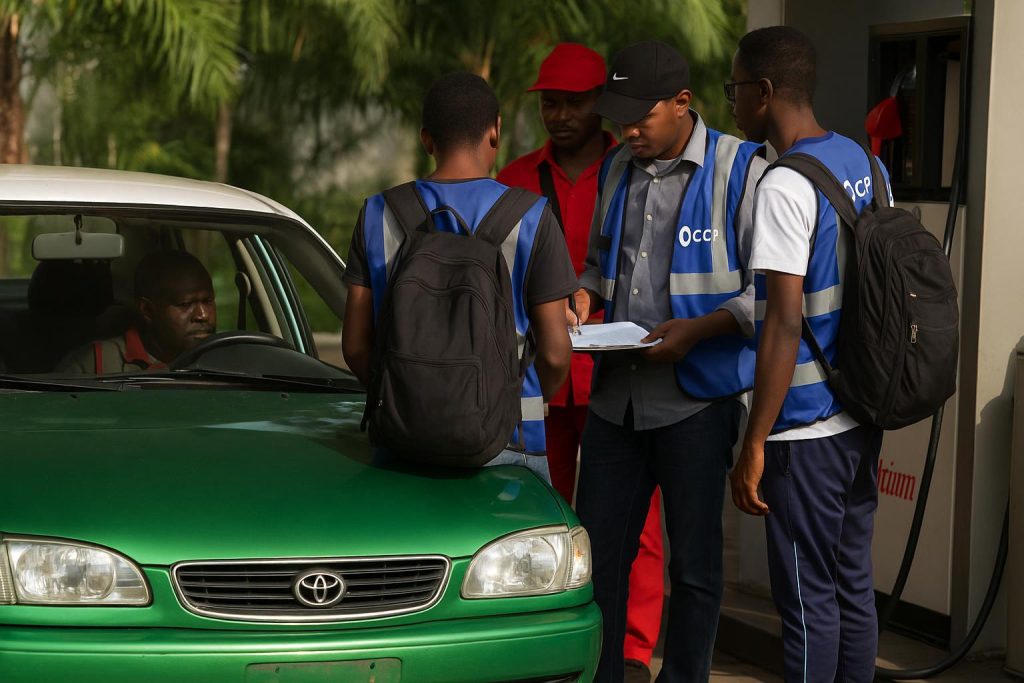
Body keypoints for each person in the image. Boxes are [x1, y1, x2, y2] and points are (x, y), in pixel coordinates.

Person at [572, 40, 767, 683]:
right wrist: (581, 296)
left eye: (640, 117)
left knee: (695, 566)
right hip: (615, 400)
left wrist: (698, 330)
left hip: (696, 400)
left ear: (683, 103)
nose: (627, 130)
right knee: (598, 563)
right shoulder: (616, 170)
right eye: (619, 117)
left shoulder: (744, 171)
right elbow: (602, 267)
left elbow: (764, 292)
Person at [496, 42, 666, 682]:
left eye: (573, 101)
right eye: (549, 102)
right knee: (534, 519)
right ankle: (541, 644)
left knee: (634, 522)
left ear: (602, 103)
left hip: (617, 378)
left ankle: (632, 650)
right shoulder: (514, 179)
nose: (559, 114)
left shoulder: (634, 171)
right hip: (536, 379)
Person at [727, 26, 890, 683]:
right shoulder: (867, 165)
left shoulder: (784, 186)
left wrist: (755, 441)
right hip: (860, 414)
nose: (732, 102)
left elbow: (783, 324)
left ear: (764, 93)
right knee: (852, 583)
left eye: (736, 89)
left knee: (805, 600)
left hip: (805, 430)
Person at [341, 72, 577, 480]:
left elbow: (355, 345)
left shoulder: (377, 214)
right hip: (511, 442)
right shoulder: (531, 217)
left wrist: (409, 399)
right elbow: (556, 355)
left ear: (426, 140)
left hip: (400, 444)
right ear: (495, 132)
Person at [58, 250, 216, 374]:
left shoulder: (227, 360)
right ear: (147, 310)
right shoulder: (95, 363)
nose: (203, 315)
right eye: (186, 304)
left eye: (208, 301)